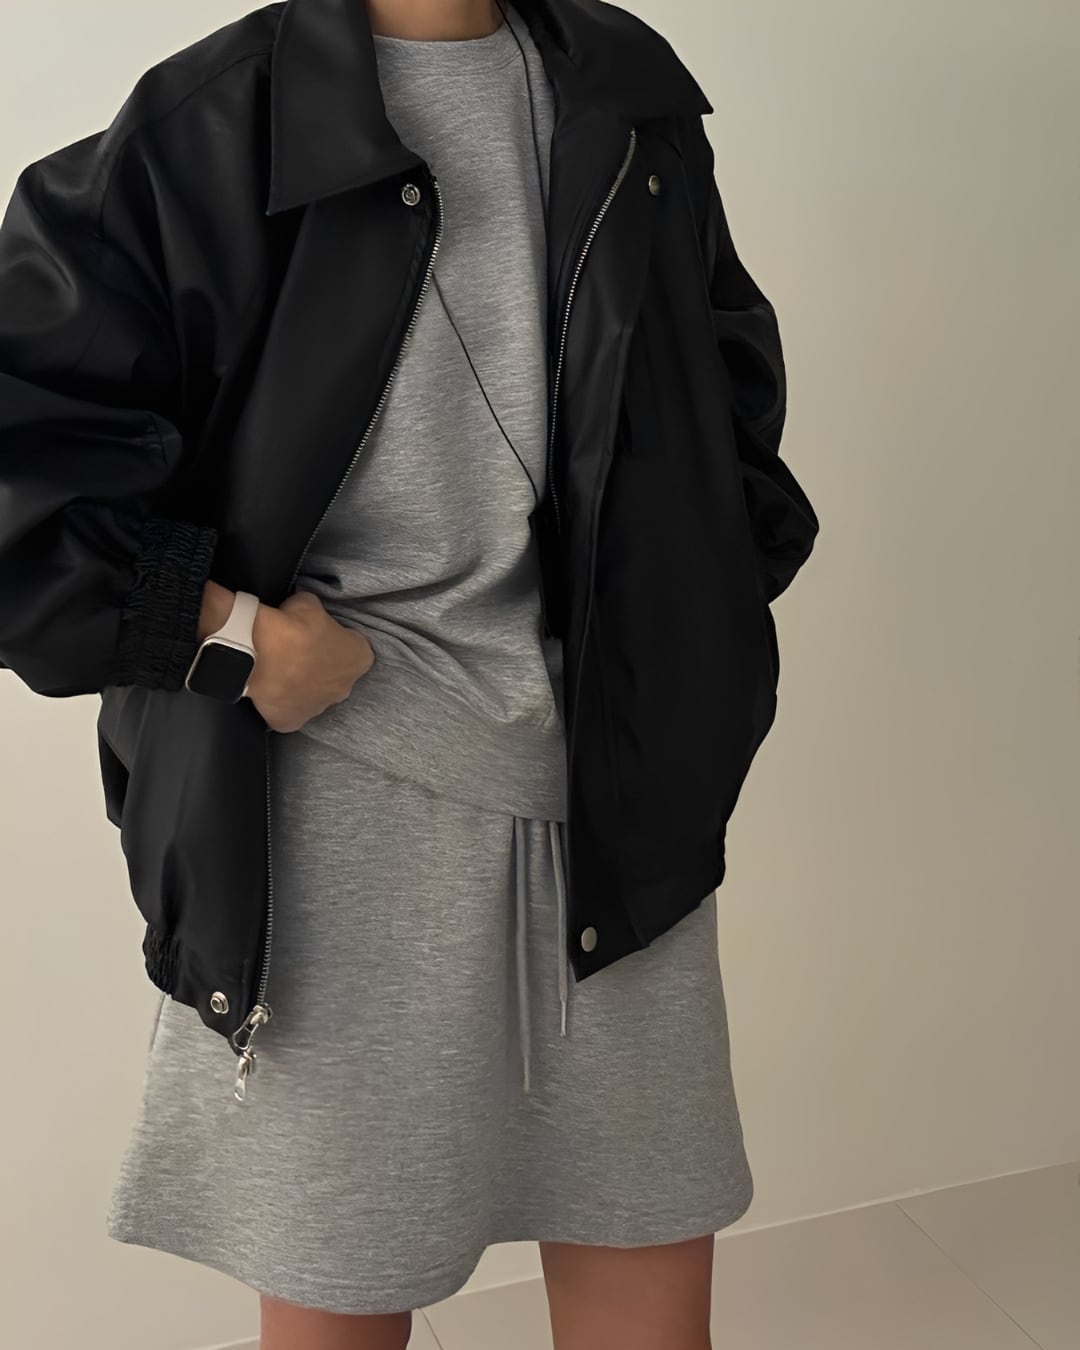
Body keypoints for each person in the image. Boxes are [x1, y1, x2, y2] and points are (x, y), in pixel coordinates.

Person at [0, 0, 820, 1346]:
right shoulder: (212, 125)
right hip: (337, 810)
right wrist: (231, 635)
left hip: (619, 811)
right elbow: (21, 481)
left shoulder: (625, 91)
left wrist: (694, 630)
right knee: (344, 1295)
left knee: (646, 1265)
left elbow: (720, 403)